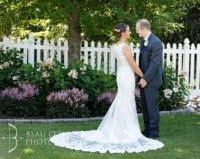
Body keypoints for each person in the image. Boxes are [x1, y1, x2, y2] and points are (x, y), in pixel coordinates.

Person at [49, 23, 164, 153]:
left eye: (135, 30)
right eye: (129, 31)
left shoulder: (117, 46)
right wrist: (143, 77)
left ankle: (142, 130)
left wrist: (144, 78)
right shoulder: (125, 47)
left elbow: (153, 63)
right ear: (122, 33)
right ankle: (127, 130)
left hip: (123, 76)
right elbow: (133, 65)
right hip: (127, 77)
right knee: (126, 102)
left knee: (128, 101)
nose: (132, 32)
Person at [136, 19, 163, 138]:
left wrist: (145, 78)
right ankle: (147, 129)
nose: (137, 32)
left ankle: (153, 132)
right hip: (143, 80)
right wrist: (140, 77)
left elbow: (155, 63)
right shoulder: (144, 41)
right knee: (145, 107)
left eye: (138, 30)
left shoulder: (156, 42)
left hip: (151, 80)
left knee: (152, 107)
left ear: (144, 28)